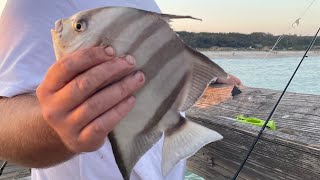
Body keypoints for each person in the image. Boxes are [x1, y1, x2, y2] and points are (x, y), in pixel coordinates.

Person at [0, 1, 241, 180]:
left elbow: (155, 62)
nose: (64, 28)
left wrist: (209, 77)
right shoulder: (32, 6)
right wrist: (55, 128)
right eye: (79, 26)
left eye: (78, 26)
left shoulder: (145, 2)